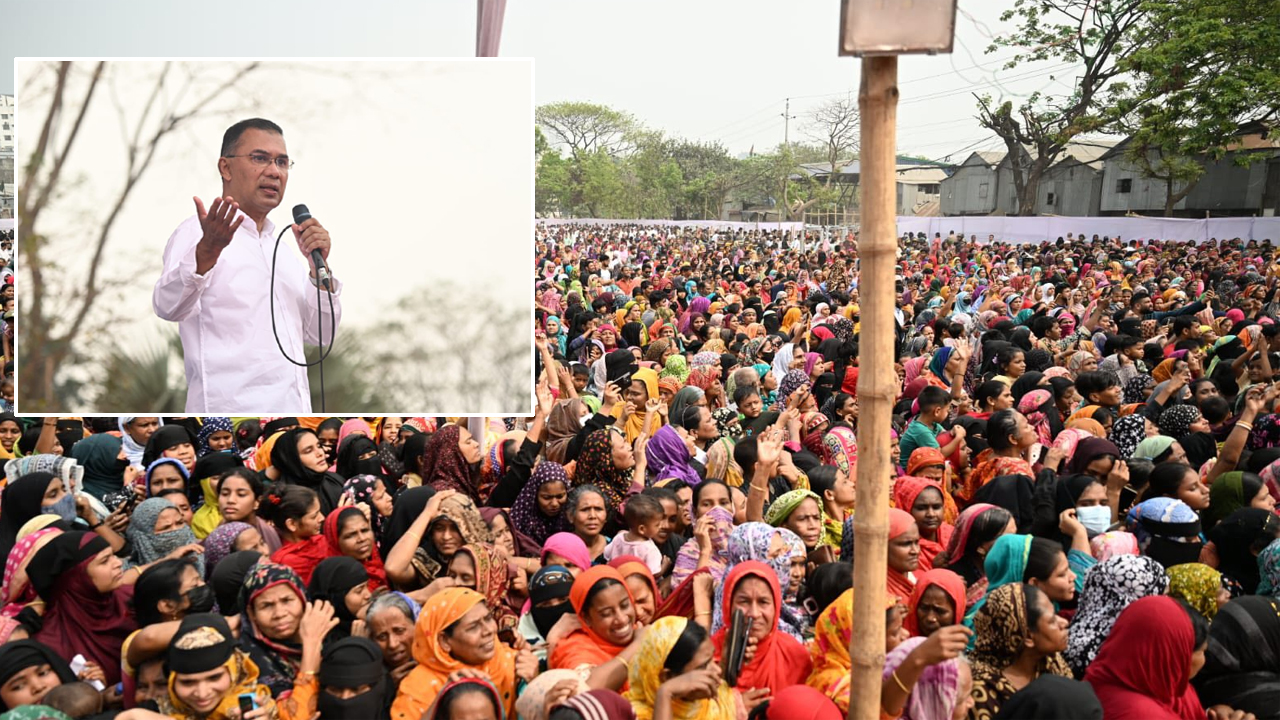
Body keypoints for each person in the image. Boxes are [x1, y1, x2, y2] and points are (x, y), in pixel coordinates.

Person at [152, 117, 342, 412]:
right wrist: (207, 251)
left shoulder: (284, 248)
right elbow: (167, 306)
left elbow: (321, 336)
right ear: (225, 167)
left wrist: (320, 272)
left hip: (294, 414)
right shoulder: (197, 233)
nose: (274, 172)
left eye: (282, 162)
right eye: (260, 158)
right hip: (230, 416)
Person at [390, 587, 534, 720]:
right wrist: (441, 701)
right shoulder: (418, 689)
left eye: (488, 618)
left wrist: (533, 681)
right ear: (444, 641)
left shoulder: (513, 662)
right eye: (473, 627)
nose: (488, 630)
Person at [1083, 595, 1208, 720]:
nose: (1204, 660)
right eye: (1203, 651)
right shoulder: (1143, 714)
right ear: (1176, 655)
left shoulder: (1103, 675)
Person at [967, 583, 1071, 720]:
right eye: (1052, 620)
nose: (1064, 622)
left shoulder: (1051, 663)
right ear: (1028, 637)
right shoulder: (981, 688)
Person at [712, 561, 811, 694]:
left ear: (776, 606)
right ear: (728, 605)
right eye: (744, 601)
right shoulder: (706, 655)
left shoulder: (794, 656)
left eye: (763, 602)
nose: (754, 613)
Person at [156, 613, 275, 720]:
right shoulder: (155, 712)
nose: (202, 694)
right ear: (172, 681)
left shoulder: (260, 708)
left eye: (214, 678)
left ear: (235, 670)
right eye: (187, 682)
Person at [602, 494, 664, 575]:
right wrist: (665, 566)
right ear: (642, 529)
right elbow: (654, 574)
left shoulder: (619, 538)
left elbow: (606, 554)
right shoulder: (650, 549)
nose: (661, 526)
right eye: (657, 524)